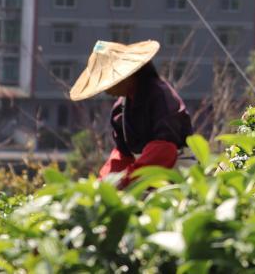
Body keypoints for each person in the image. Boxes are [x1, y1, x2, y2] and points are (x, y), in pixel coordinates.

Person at [69, 40, 193, 188]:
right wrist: (103, 184)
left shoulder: (160, 96)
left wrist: (127, 178)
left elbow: (164, 150)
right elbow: (122, 155)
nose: (106, 90)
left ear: (127, 75)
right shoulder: (119, 110)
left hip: (176, 173)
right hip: (143, 174)